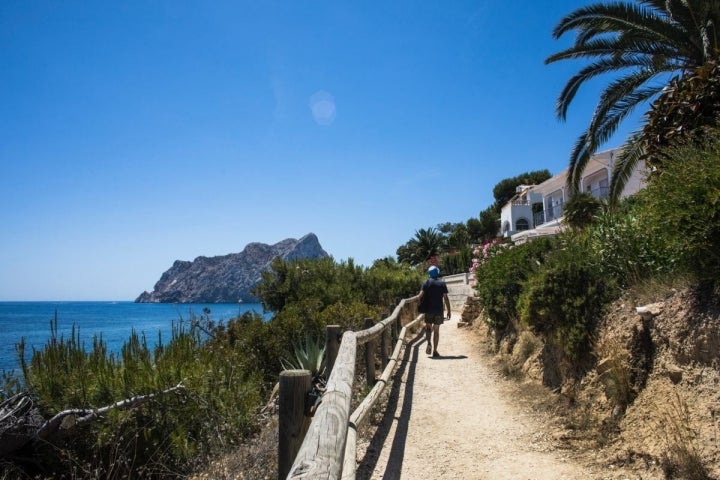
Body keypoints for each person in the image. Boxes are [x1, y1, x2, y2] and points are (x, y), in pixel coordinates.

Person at [418, 265, 451, 357]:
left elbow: (420, 295)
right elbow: (446, 298)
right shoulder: (442, 283)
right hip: (439, 311)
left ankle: (429, 343)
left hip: (428, 310)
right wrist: (449, 310)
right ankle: (435, 351)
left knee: (428, 328)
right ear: (437, 272)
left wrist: (417, 304)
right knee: (436, 331)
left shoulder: (426, 283)